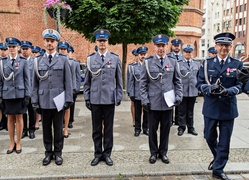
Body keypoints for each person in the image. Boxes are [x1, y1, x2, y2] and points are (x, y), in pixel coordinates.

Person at [196, 32, 243, 180]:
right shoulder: (206, 64)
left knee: (224, 141)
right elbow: (199, 83)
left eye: (227, 45)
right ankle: (218, 159)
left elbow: (241, 84)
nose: (224, 48)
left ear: (231, 47)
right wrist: (208, 89)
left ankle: (218, 169)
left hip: (228, 108)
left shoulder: (237, 64)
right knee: (209, 136)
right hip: (211, 107)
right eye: (221, 45)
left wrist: (228, 91)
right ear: (216, 46)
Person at [31, 29, 73, 166]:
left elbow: (68, 82)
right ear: (44, 42)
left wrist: (68, 99)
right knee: (46, 129)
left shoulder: (63, 59)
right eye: (47, 41)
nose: (49, 43)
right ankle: (48, 153)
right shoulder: (37, 61)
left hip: (58, 101)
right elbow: (35, 84)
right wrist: (35, 101)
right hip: (44, 101)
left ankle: (58, 153)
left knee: (58, 128)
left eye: (52, 41)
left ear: (56, 43)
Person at [140, 34, 183, 164]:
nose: (161, 48)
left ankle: (163, 152)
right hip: (152, 103)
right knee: (152, 130)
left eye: (163, 46)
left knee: (166, 129)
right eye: (158, 46)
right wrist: (144, 100)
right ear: (154, 47)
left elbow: (178, 81)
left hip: (168, 103)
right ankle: (153, 153)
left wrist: (179, 95)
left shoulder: (173, 62)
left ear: (166, 46)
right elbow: (143, 83)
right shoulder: (148, 62)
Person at [84, 29, 123, 166]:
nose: (102, 43)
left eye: (104, 41)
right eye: (100, 41)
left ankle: (107, 154)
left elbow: (119, 80)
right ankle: (97, 154)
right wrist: (87, 97)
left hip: (109, 99)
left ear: (108, 42)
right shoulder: (90, 59)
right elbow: (87, 82)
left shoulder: (115, 58)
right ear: (96, 42)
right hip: (95, 99)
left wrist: (119, 95)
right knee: (96, 129)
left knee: (108, 128)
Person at [0, 37, 31, 154]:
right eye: (10, 47)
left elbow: (27, 79)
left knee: (19, 117)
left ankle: (18, 142)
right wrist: (0, 96)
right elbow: (0, 81)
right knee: (9, 118)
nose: (11, 49)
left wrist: (27, 95)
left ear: (18, 48)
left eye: (13, 47)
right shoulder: (2, 62)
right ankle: (11, 142)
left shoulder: (23, 61)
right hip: (7, 94)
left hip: (19, 93)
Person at [177, 44, 200, 136]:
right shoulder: (178, 64)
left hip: (193, 91)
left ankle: (190, 127)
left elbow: (198, 77)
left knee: (191, 111)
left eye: (189, 52)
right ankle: (181, 127)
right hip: (182, 91)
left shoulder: (196, 64)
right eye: (186, 52)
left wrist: (198, 89)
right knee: (181, 111)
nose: (188, 54)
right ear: (183, 52)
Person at [129, 46, 148, 136]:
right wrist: (131, 93)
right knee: (137, 112)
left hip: (147, 94)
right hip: (137, 93)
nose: (143, 56)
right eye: (141, 54)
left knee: (147, 112)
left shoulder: (149, 66)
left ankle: (146, 128)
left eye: (144, 54)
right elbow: (131, 81)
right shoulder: (133, 67)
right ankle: (137, 129)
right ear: (138, 55)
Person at [20, 40, 36, 139]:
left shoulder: (35, 62)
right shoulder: (19, 61)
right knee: (22, 112)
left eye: (27, 49)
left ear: (30, 50)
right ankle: (24, 130)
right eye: (23, 49)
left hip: (32, 91)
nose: (25, 51)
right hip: (22, 91)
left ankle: (31, 129)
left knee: (32, 111)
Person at [167, 38, 184, 126]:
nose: (176, 47)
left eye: (178, 46)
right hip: (170, 84)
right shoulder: (168, 57)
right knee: (170, 103)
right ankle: (170, 120)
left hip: (180, 84)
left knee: (179, 104)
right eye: (175, 46)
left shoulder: (184, 57)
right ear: (172, 46)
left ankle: (178, 121)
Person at [68, 45, 81, 129]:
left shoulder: (76, 63)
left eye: (69, 52)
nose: (68, 54)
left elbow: (77, 77)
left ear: (72, 53)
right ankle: (63, 121)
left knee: (71, 106)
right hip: (64, 89)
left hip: (72, 88)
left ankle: (70, 120)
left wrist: (77, 88)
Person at [126, 49, 138, 127]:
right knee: (133, 104)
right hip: (133, 88)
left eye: (138, 55)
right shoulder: (131, 66)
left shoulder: (145, 65)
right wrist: (129, 91)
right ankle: (134, 120)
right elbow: (128, 79)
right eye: (136, 55)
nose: (137, 57)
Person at [0, 42, 8, 131]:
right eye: (1, 50)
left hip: (7, 88)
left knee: (6, 107)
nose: (3, 52)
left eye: (5, 50)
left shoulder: (9, 61)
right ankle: (2, 122)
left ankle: (7, 124)